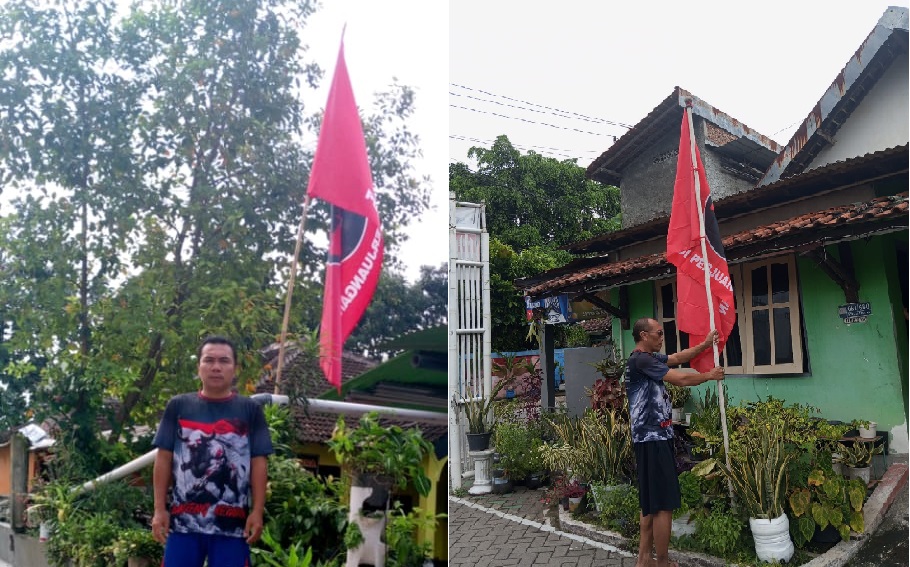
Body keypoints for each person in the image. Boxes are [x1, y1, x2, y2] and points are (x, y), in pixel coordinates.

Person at [152, 336, 274, 567]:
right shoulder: (178, 406)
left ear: (234, 368)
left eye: (224, 361)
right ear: (198, 366)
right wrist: (159, 510)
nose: (216, 367)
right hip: (183, 525)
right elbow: (164, 458)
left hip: (232, 526)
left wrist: (257, 511)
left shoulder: (250, 410)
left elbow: (259, 462)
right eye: (209, 360)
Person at [626, 317, 724, 567]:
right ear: (644, 335)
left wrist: (704, 344)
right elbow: (679, 379)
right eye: (658, 333)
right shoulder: (642, 359)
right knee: (663, 504)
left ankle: (644, 558)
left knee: (649, 501)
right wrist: (709, 376)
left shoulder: (645, 358)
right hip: (653, 437)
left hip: (650, 438)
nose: (662, 337)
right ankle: (662, 562)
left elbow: (679, 358)